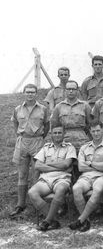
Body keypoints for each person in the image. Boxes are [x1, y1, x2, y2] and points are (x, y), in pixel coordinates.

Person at [10, 84, 50, 217]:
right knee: (22, 175)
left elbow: (47, 125)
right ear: (24, 93)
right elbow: (15, 123)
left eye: (33, 92)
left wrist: (39, 137)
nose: (30, 94)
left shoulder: (43, 108)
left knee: (37, 174)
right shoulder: (17, 109)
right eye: (28, 92)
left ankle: (37, 204)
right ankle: (20, 204)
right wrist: (21, 135)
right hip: (22, 142)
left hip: (37, 141)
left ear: (36, 94)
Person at [69, 121, 103, 232]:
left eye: (98, 130)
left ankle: (81, 220)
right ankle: (86, 221)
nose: (96, 133)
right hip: (85, 177)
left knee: (97, 189)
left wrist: (90, 163)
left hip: (102, 177)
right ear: (90, 132)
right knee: (76, 188)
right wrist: (100, 165)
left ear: (102, 130)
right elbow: (81, 167)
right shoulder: (84, 147)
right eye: (93, 131)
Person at [28, 124, 76, 231]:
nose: (57, 135)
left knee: (61, 189)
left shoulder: (70, 147)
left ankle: (47, 221)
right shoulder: (45, 148)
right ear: (51, 134)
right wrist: (57, 166)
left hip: (62, 179)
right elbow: (38, 165)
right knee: (32, 192)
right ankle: (53, 220)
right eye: (55, 133)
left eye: (59, 132)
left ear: (64, 134)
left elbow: (66, 165)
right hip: (45, 180)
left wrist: (48, 165)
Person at [51, 80, 91, 152]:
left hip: (81, 139)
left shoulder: (85, 105)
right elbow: (54, 125)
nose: (71, 91)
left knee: (82, 161)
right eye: (69, 89)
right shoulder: (59, 107)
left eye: (73, 89)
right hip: (64, 139)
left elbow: (90, 124)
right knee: (64, 162)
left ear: (77, 91)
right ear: (65, 91)